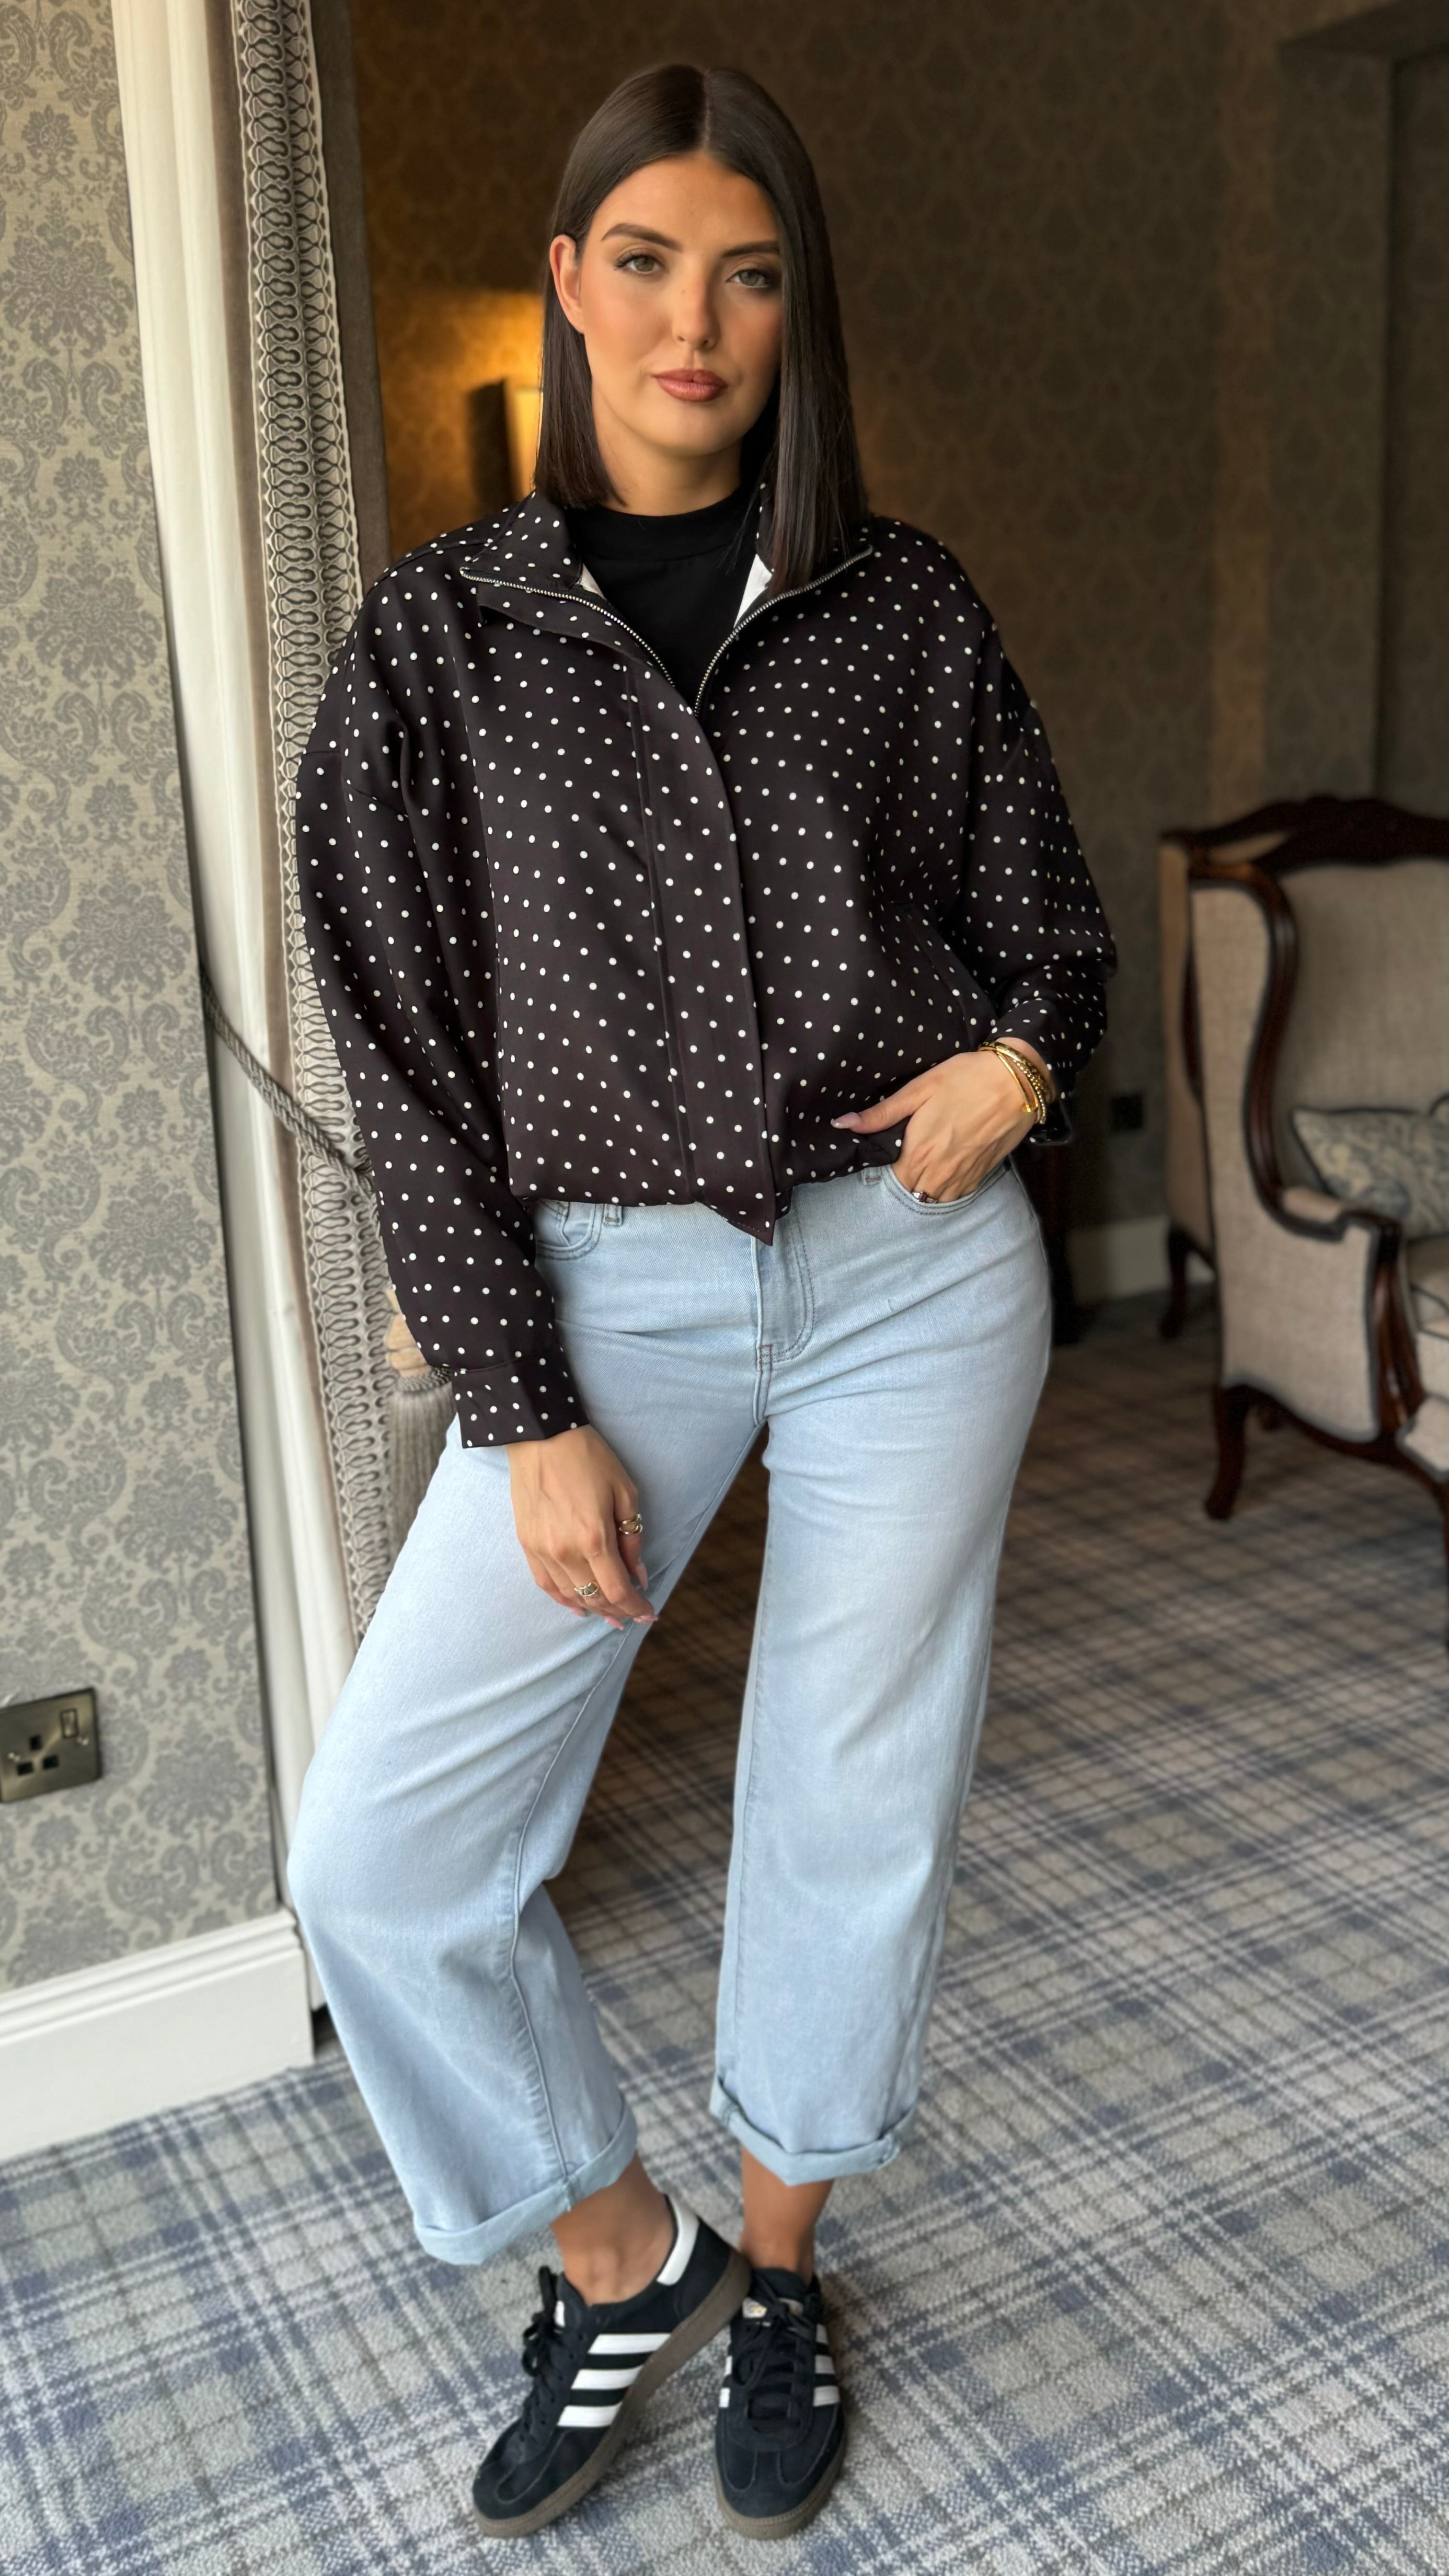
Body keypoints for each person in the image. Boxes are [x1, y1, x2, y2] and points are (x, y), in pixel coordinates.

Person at [289, 59, 1114, 2545]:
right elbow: (407, 1060)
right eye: (645, 262)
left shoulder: (902, 607)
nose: (696, 320)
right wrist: (521, 1399)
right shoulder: (440, 641)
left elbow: (1052, 930)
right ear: (569, 282)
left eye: (748, 276)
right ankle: (620, 2251)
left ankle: (780, 2273)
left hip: (913, 1276)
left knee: (850, 1793)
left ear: (794, 309)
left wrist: (1016, 1069)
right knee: (383, 1856)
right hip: (605, 1299)